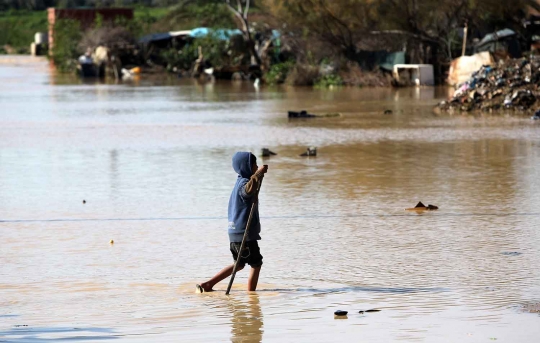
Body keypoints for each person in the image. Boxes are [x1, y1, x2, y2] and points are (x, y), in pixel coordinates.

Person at [197, 152, 268, 292]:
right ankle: (251, 295)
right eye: (254, 165)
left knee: (239, 264)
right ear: (247, 167)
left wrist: (257, 175)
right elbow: (248, 191)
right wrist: (258, 174)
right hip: (244, 235)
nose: (257, 166)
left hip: (235, 234)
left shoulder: (238, 183)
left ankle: (209, 284)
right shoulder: (243, 184)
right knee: (256, 263)